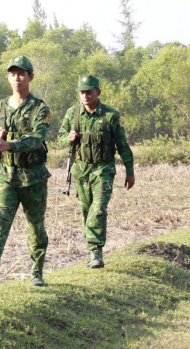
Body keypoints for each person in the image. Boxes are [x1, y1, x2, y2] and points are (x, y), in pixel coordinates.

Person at [0, 56, 52, 288]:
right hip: (5, 176)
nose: (17, 78)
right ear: (8, 77)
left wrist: (9, 144)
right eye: (13, 74)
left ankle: (37, 272)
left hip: (33, 177)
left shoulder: (40, 108)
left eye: (22, 73)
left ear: (30, 77)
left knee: (35, 226)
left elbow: (37, 137)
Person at [57, 74, 134, 269]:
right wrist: (68, 137)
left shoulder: (110, 116)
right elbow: (58, 138)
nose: (85, 96)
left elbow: (123, 145)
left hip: (103, 170)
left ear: (97, 92)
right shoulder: (72, 114)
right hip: (81, 171)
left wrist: (130, 171)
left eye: (89, 92)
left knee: (98, 209)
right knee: (86, 211)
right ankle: (91, 249)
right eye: (82, 92)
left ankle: (95, 252)